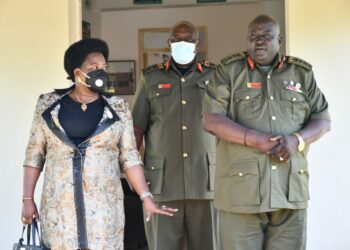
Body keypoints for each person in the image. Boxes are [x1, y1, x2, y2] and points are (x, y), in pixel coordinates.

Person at [21, 38, 176, 250]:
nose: (101, 72)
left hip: (104, 209)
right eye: (94, 68)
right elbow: (34, 154)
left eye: (104, 68)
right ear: (77, 72)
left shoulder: (118, 107)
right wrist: (27, 198)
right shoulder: (48, 104)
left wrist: (145, 196)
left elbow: (130, 156)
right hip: (60, 209)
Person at [202, 15, 331, 250]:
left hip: (289, 190)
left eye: (266, 36)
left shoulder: (301, 73)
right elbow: (211, 120)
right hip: (241, 194)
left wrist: (297, 140)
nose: (259, 42)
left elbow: (322, 120)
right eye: (253, 37)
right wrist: (256, 140)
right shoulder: (228, 72)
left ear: (279, 39)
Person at [132, 21, 218, 250]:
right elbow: (136, 129)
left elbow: (228, 125)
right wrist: (133, 172)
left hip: (206, 183)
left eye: (188, 39)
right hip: (162, 185)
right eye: (177, 39)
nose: (182, 44)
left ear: (197, 43)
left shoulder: (215, 76)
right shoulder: (150, 78)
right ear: (169, 42)